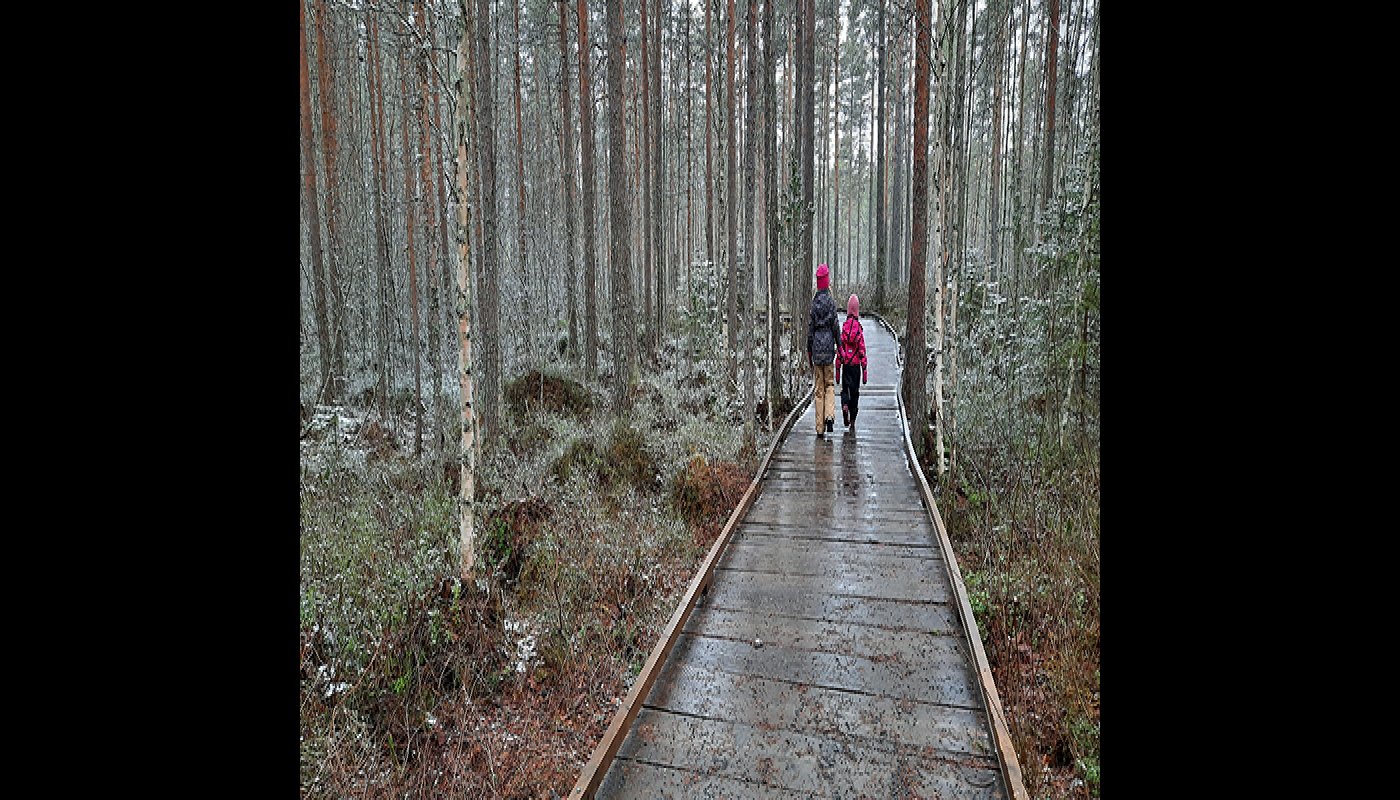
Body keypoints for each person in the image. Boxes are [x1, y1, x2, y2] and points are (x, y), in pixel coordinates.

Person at [807, 263, 840, 438]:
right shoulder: (832, 303)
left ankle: (819, 428)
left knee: (818, 389)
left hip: (816, 350)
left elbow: (810, 330)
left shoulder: (814, 305)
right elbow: (836, 327)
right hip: (828, 350)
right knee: (830, 385)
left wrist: (809, 351)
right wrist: (840, 346)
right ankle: (829, 415)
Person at [835, 293, 868, 432]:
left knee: (845, 390)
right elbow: (862, 350)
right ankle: (853, 420)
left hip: (846, 366)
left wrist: (838, 369)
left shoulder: (844, 328)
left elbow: (840, 348)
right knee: (855, 393)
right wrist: (864, 370)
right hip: (855, 367)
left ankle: (844, 405)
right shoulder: (858, 329)